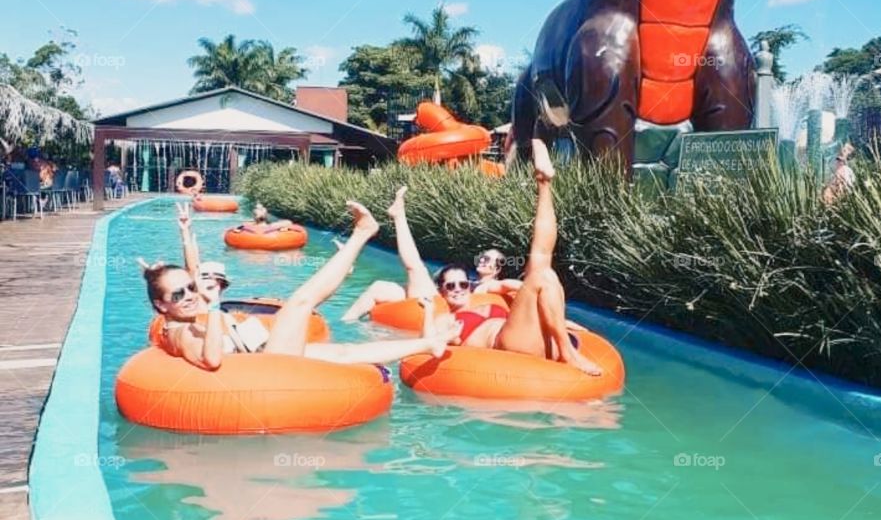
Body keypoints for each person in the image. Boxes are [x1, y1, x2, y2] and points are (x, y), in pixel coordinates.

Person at [143, 201, 458, 371]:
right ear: (161, 305)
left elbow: (193, 274)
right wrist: (211, 308)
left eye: (189, 289)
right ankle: (362, 233)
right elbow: (211, 360)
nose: (189, 296)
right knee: (301, 302)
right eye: (178, 294)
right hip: (264, 367)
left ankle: (429, 344)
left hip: (265, 352)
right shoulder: (181, 332)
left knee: (347, 352)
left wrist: (185, 236)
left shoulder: (182, 313)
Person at [430, 140, 601, 375]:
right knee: (541, 271)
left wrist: (572, 326)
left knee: (541, 261)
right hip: (507, 345)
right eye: (451, 285)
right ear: (442, 291)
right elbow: (430, 343)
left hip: (530, 337)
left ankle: (544, 182)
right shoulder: (445, 318)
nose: (458, 288)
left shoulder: (487, 293)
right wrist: (440, 325)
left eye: (462, 283)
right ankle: (567, 353)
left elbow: (519, 293)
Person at [341, 186, 512, 321]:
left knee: (416, 268)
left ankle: (399, 215)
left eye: (488, 259)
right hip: (436, 295)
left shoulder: (490, 286)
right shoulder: (471, 281)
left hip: (439, 305)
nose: (482, 260)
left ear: (496, 269)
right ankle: (344, 323)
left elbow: (512, 285)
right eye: (482, 256)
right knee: (379, 287)